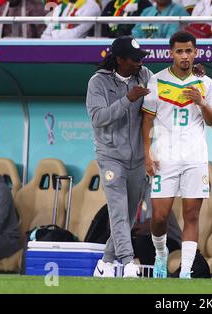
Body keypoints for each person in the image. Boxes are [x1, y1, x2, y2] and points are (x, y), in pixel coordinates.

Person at [142, 31, 212, 279]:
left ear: (195, 52)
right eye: (179, 51)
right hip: (164, 157)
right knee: (159, 216)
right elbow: (147, 120)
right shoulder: (156, 81)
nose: (185, 56)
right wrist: (146, 153)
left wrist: (202, 103)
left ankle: (186, 270)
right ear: (171, 53)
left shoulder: (206, 84)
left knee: (192, 215)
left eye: (189, 51)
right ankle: (161, 254)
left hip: (195, 158)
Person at [86, 35, 152, 278]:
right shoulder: (98, 83)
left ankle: (105, 262)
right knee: (118, 212)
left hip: (137, 159)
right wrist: (128, 99)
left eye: (140, 58)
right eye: (134, 59)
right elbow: (99, 119)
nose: (139, 63)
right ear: (120, 60)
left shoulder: (144, 75)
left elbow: (161, 94)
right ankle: (127, 263)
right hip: (110, 156)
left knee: (129, 212)